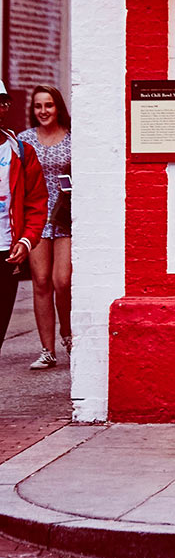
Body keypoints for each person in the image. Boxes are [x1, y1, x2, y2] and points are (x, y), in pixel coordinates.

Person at [18, 85, 70, 368]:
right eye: (38, 106)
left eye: (48, 105)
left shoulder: (73, 139)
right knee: (40, 282)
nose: (43, 111)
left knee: (62, 281)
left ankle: (68, 334)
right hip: (35, 218)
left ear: (58, 107)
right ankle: (47, 350)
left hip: (65, 218)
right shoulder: (24, 141)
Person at [0, 83, 49, 367]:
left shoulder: (20, 150)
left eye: (3, 103)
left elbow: (35, 202)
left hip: (8, 250)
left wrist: (27, 240)